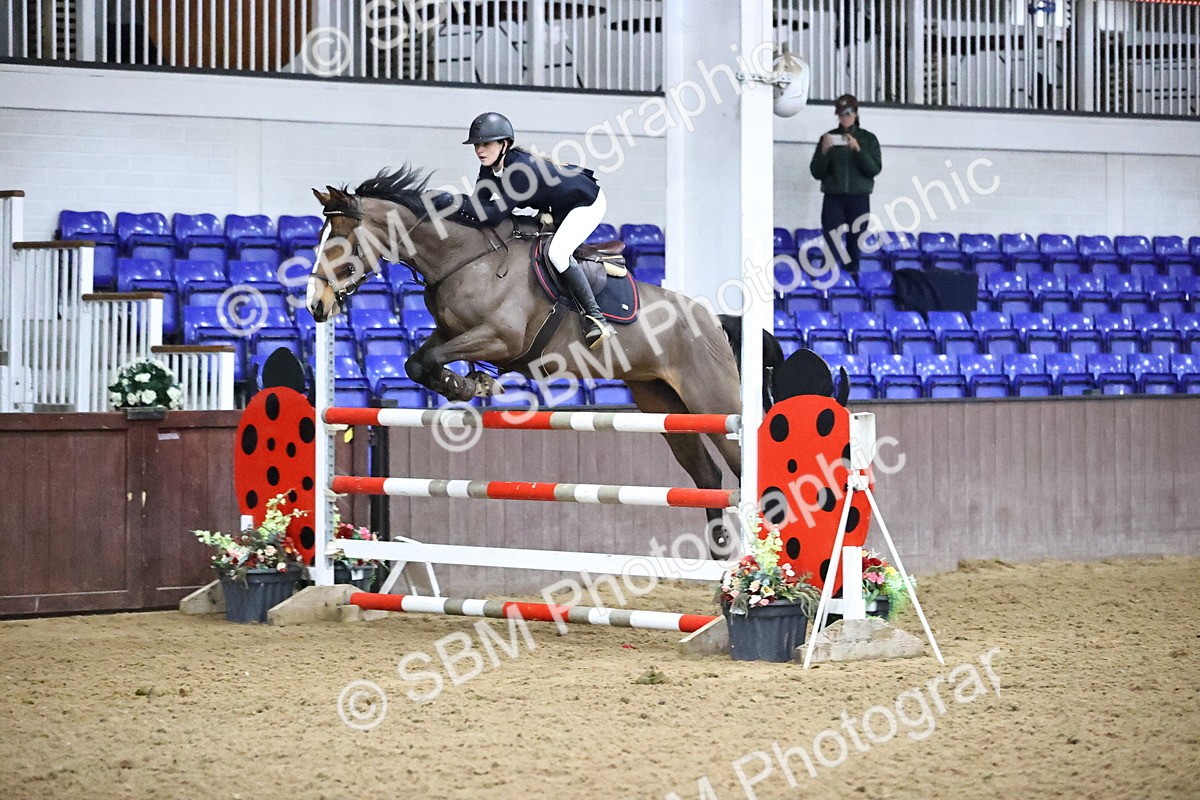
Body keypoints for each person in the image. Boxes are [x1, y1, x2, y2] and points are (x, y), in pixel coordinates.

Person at [458, 111, 615, 350]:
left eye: (486, 144)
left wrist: (453, 203)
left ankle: (595, 318)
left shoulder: (519, 171)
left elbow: (493, 215)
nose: (480, 150)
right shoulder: (489, 168)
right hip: (557, 204)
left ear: (504, 144)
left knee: (558, 253)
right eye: (477, 145)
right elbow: (479, 206)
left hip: (585, 202)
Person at [808, 94, 882, 274]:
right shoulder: (828, 138)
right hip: (833, 197)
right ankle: (827, 279)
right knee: (831, 241)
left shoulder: (868, 139)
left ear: (856, 114)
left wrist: (858, 150)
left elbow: (874, 169)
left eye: (848, 113)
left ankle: (852, 280)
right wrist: (824, 152)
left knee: (855, 243)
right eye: (841, 114)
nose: (844, 118)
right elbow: (816, 172)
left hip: (859, 198)